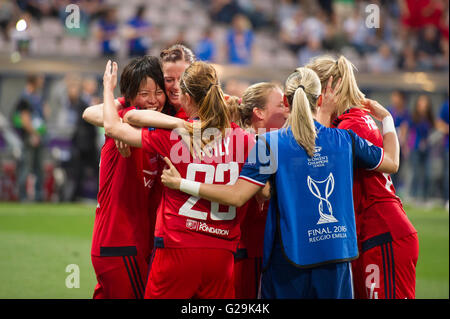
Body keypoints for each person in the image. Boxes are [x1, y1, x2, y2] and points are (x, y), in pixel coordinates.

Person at [160, 67, 400, 299]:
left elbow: (236, 196)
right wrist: (386, 118)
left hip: (288, 262)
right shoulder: (345, 139)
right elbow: (391, 162)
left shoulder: (270, 144)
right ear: (319, 101)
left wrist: (181, 183)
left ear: (286, 102)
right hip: (336, 258)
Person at [103, 60, 254, 299]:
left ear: (187, 98)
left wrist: (108, 89)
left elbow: (113, 127)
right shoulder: (245, 141)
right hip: (222, 253)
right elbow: (259, 192)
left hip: (177, 247)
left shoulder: (175, 137)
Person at [306, 55, 418, 299]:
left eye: (311, 94)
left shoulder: (349, 127)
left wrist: (322, 116)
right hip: (371, 232)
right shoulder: (351, 121)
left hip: (381, 230)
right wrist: (387, 119)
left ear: (328, 90)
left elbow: (320, 171)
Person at [82, 56, 168, 299]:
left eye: (159, 92)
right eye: (144, 93)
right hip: (122, 243)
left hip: (120, 244)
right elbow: (91, 113)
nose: (153, 100)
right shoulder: (126, 120)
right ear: (130, 96)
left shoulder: (149, 126)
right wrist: (114, 97)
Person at [228, 82, 289, 299]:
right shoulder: (252, 143)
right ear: (259, 113)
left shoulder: (261, 141)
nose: (288, 109)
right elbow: (263, 193)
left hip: (259, 249)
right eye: (282, 104)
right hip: (251, 249)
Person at [12, 73, 47, 202]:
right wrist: (34, 134)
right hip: (29, 137)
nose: (42, 82)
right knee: (26, 167)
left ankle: (39, 196)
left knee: (39, 168)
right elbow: (25, 119)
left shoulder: (37, 97)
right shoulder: (25, 98)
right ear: (34, 80)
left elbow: (43, 114)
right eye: (40, 79)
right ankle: (22, 196)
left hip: (38, 135)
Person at [408, 94, 435, 203]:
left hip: (427, 149)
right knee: (416, 172)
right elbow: (410, 132)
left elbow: (432, 132)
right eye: (421, 102)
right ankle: (413, 196)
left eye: (425, 103)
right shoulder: (414, 117)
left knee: (427, 173)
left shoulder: (429, 118)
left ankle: (425, 197)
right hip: (415, 148)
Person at [436, 98, 449, 209]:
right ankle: (447, 200)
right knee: (447, 174)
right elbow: (439, 124)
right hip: (447, 146)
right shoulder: (446, 106)